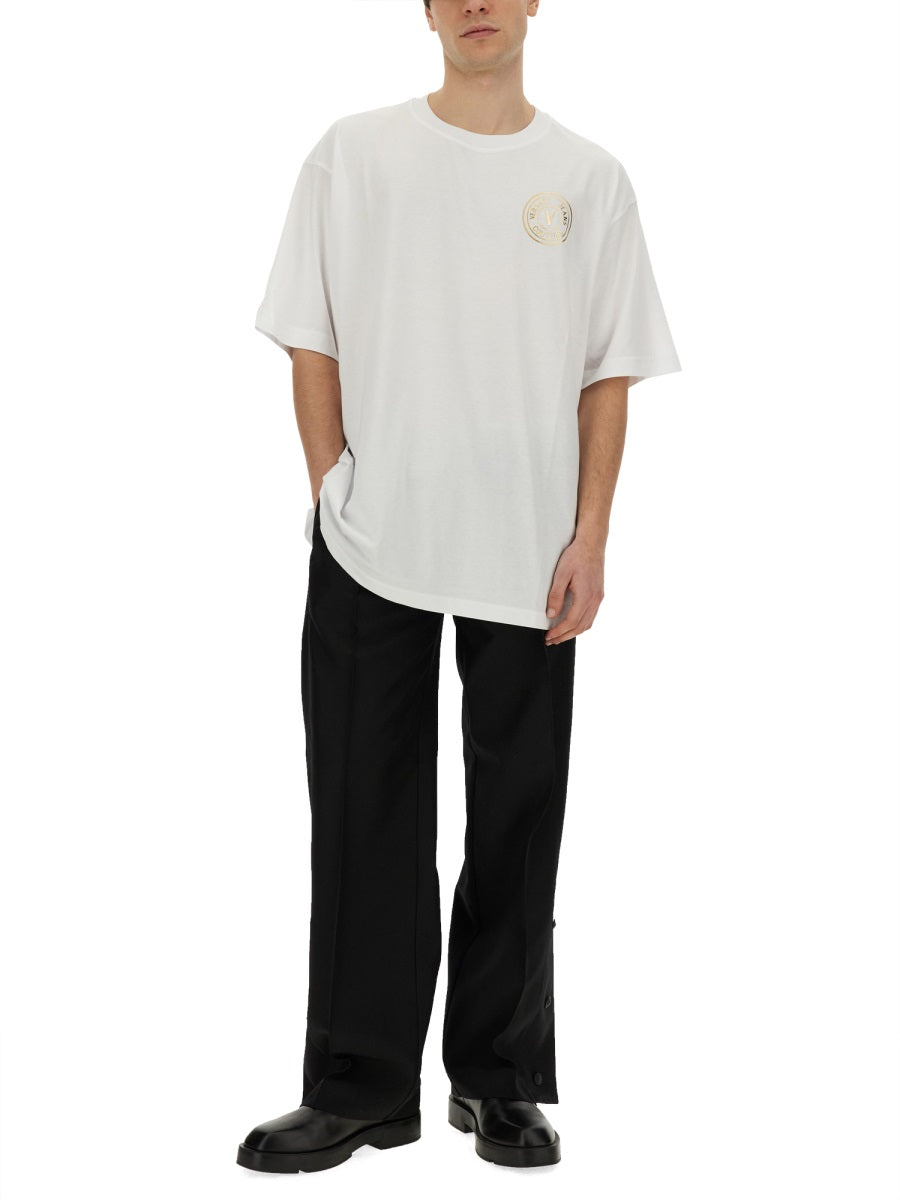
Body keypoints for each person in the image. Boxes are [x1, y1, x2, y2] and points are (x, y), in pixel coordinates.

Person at [236, 0, 680, 1174]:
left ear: (535, 3)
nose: (478, 4)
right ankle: (359, 1085)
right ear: (426, 10)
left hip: (529, 545)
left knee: (519, 814)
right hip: (373, 534)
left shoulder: (590, 178)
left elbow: (607, 371)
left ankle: (498, 1079)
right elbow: (311, 335)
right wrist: (332, 486)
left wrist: (591, 534)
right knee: (362, 807)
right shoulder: (355, 154)